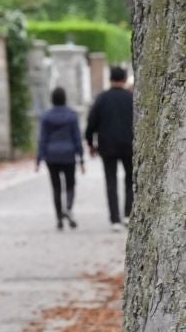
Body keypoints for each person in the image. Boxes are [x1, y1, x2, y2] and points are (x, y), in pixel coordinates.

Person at [86, 65, 136, 226]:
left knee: (111, 181)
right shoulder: (131, 98)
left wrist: (90, 143)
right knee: (130, 179)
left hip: (107, 146)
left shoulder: (101, 98)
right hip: (129, 144)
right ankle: (128, 213)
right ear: (124, 79)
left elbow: (91, 122)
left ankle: (114, 219)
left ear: (110, 79)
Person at [36, 86, 85, 230]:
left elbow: (42, 139)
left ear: (52, 99)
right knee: (70, 184)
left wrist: (39, 159)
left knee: (56, 187)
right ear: (65, 98)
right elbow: (77, 138)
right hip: (69, 155)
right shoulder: (71, 115)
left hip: (52, 156)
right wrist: (81, 158)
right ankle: (68, 208)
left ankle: (59, 217)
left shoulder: (46, 116)